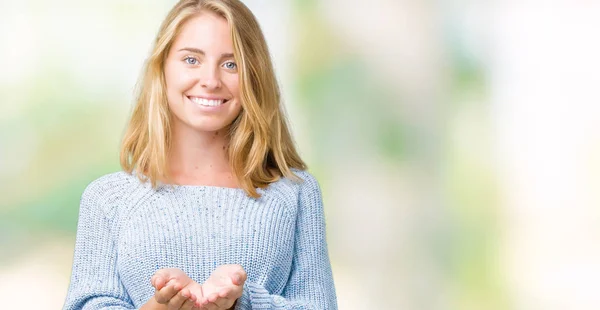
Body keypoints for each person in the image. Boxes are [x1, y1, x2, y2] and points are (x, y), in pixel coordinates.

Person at [62, 0, 337, 309]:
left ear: (254, 76)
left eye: (231, 64)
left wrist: (241, 303)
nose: (210, 80)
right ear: (162, 67)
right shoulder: (107, 199)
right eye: (191, 59)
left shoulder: (295, 194)